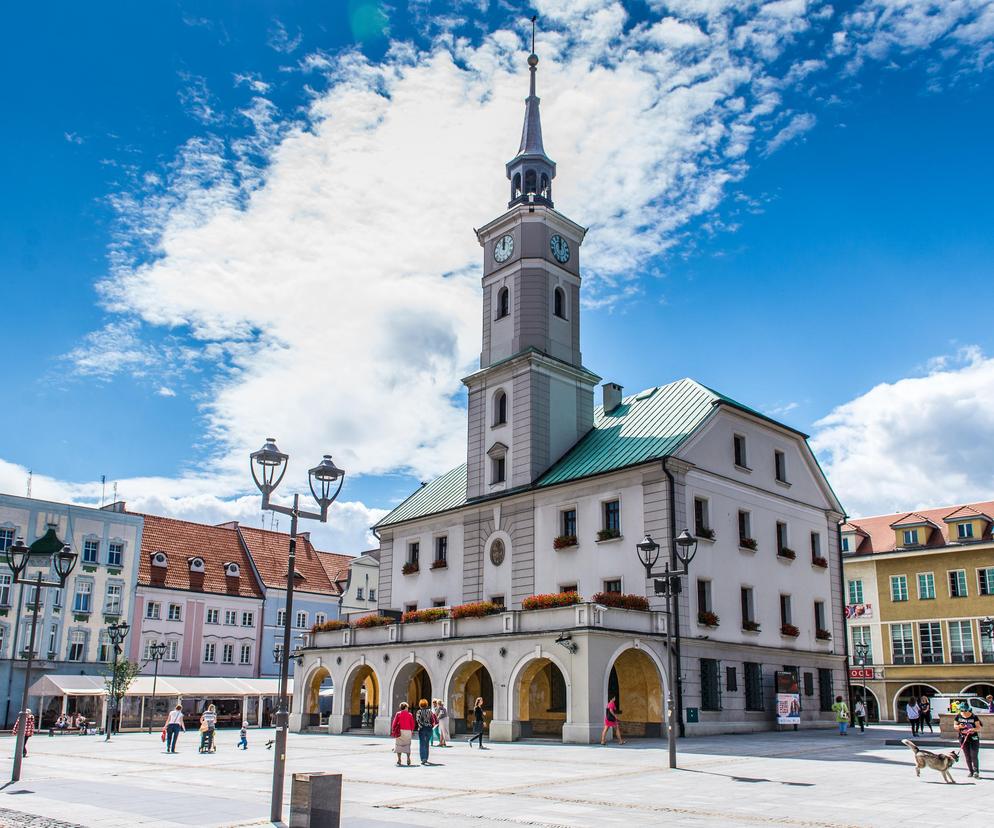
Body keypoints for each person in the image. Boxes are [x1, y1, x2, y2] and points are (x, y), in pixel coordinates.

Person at [954, 706, 983, 779]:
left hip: (973, 737)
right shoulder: (958, 716)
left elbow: (978, 727)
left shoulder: (974, 717)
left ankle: (976, 772)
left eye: (966, 711)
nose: (964, 713)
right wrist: (959, 726)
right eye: (963, 711)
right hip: (963, 737)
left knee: (974, 755)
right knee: (967, 755)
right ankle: (971, 771)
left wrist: (972, 729)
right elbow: (955, 726)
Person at [391, 702, 415, 766]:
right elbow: (412, 724)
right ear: (406, 707)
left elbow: (394, 723)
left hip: (400, 731)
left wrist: (393, 730)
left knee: (399, 745)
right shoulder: (410, 714)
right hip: (408, 731)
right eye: (407, 707)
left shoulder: (398, 714)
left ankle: (399, 759)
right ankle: (408, 758)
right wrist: (412, 731)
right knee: (407, 745)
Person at [415, 699, 436, 765]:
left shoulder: (419, 711)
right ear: (426, 704)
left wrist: (421, 725)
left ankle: (423, 758)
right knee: (427, 743)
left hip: (422, 728)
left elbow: (418, 720)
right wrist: (430, 726)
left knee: (422, 743)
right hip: (429, 728)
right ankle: (426, 758)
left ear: (420, 705)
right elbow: (433, 720)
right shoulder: (430, 711)